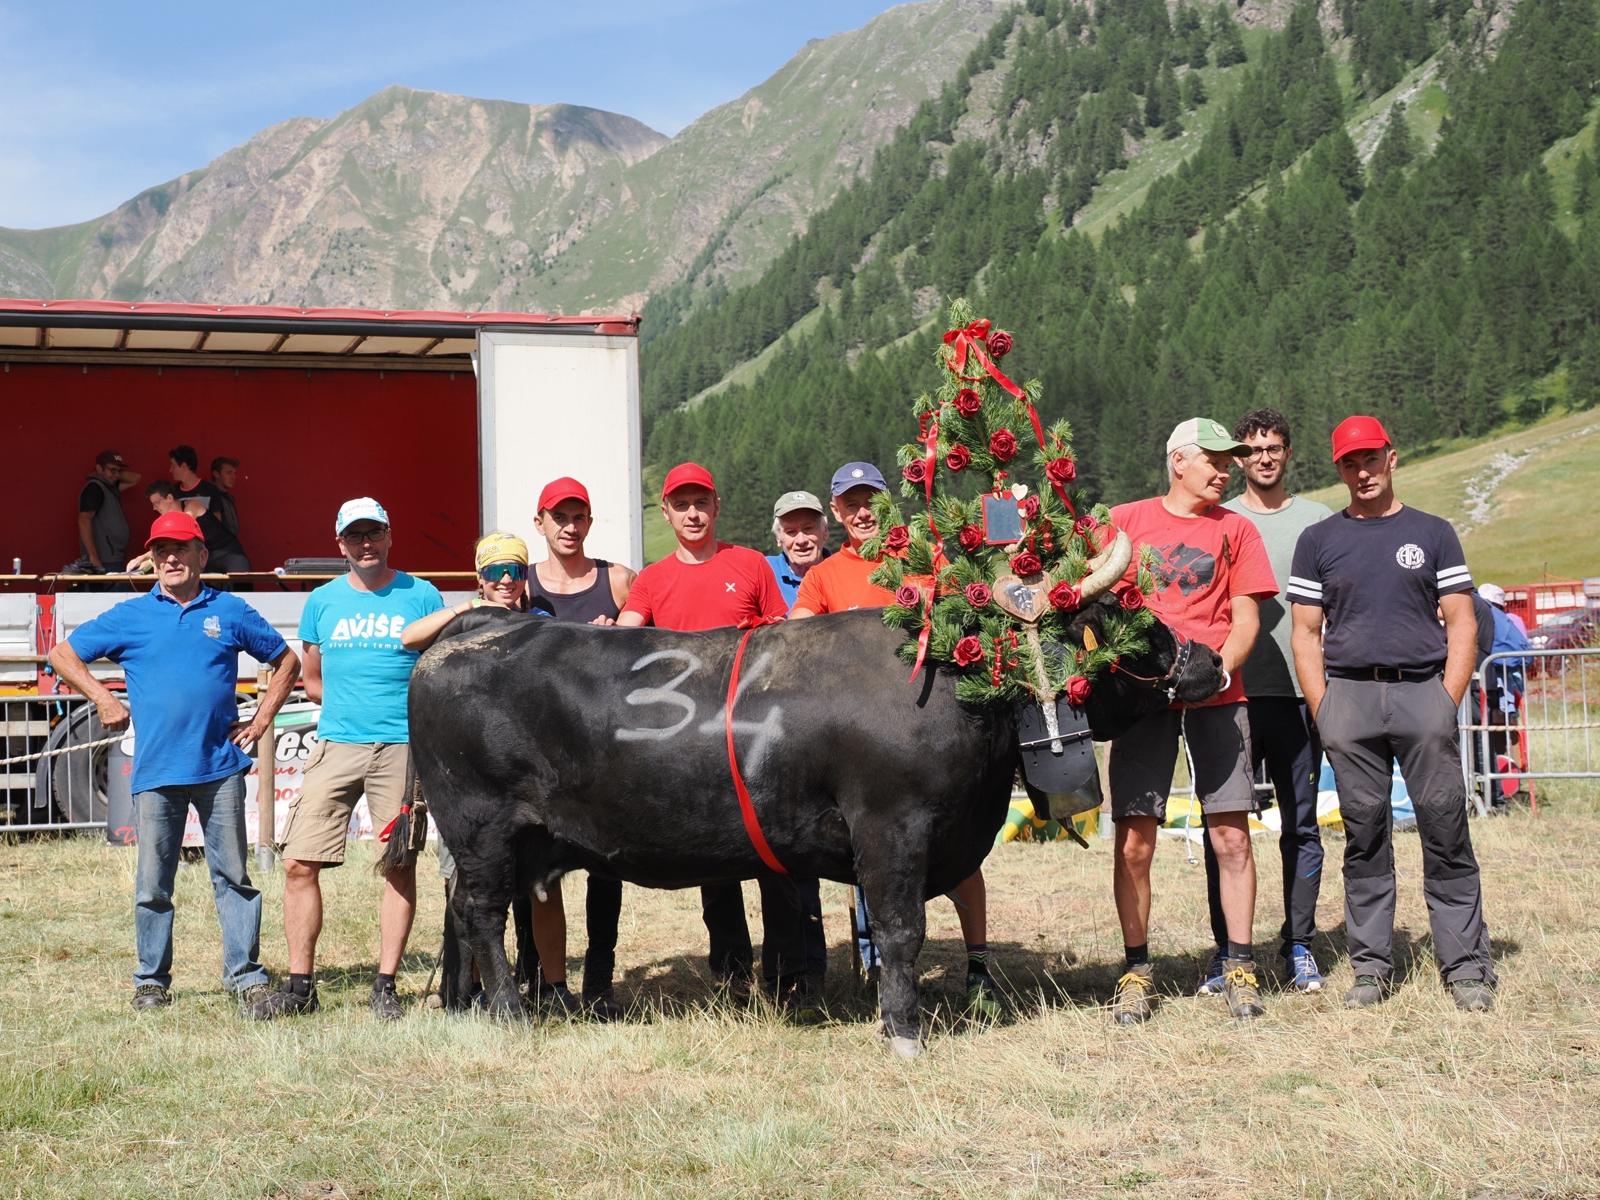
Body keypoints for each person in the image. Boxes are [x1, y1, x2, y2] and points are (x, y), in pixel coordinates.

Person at [48, 511, 299, 1012]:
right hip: (157, 773)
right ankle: (151, 981)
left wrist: (261, 720)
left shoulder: (228, 610)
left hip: (220, 769)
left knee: (233, 879)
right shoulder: (131, 616)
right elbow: (62, 655)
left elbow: (286, 660)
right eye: (161, 550)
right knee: (152, 885)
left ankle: (246, 978)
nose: (170, 558)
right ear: (152, 558)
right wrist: (103, 698)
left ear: (202, 556)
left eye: (181, 549)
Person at [1288, 415, 1496, 1012]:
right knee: (1364, 835)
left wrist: (1444, 700)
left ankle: (1466, 969)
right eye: (1350, 462)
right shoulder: (1319, 541)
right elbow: (1306, 634)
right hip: (1348, 698)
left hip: (1421, 693)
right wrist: (1325, 709)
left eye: (1371, 458)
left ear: (1392, 459)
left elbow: (1461, 622)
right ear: (1339, 469)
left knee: (1445, 827)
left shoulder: (1433, 533)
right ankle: (1372, 970)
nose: (1362, 471)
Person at [790, 461, 999, 1020]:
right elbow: (797, 645)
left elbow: (965, 627)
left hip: (929, 733)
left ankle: (978, 965)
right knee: (874, 858)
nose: (862, 512)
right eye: (850, 503)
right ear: (836, 512)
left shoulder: (926, 561)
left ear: (889, 506)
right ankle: (879, 969)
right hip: (861, 743)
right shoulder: (823, 576)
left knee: (958, 856)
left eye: (871, 501)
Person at [616, 462, 808, 1004]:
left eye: (701, 502)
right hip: (692, 741)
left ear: (716, 506)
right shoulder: (652, 578)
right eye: (682, 504)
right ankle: (731, 979)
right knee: (716, 859)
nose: (693, 513)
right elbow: (626, 639)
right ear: (668, 512)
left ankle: (787, 977)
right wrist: (598, 635)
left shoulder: (748, 563)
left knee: (777, 856)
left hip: (759, 733)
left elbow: (780, 639)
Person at [1106, 418, 1278, 1025]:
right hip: (1143, 700)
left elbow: (1248, 616)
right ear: (1179, 461)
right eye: (1215, 459)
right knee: (1134, 842)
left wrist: (1219, 669)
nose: (1226, 469)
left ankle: (1240, 964)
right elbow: (1089, 594)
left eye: (1230, 459)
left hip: (1216, 697)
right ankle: (1135, 970)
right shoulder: (1125, 521)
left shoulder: (1238, 529)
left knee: (1231, 836)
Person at [247, 497, 445, 1021]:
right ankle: (299, 986)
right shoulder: (322, 601)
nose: (365, 544)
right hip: (337, 745)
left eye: (373, 533)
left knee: (399, 865)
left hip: (402, 748)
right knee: (297, 862)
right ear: (340, 544)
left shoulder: (421, 594)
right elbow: (311, 679)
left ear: (388, 536)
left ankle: (385, 984)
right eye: (355, 535)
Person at [402, 528, 588, 1016]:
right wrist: (468, 611)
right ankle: (469, 987)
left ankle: (552, 986)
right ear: (478, 578)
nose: (506, 580)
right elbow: (409, 638)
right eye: (495, 571)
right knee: (470, 884)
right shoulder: (459, 627)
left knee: (545, 891)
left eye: (515, 570)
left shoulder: (541, 623)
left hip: (535, 777)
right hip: (472, 776)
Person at [1212, 408, 1332, 994]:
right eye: (1253, 449)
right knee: (1225, 828)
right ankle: (1227, 951)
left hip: (1297, 697)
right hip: (1228, 698)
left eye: (1274, 447)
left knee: (1302, 826)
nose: (1264, 457)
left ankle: (1300, 944)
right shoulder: (1218, 521)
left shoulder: (1318, 522)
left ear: (1287, 454)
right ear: (1238, 459)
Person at [524, 477, 638, 1019]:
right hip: (538, 755)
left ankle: (598, 979)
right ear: (540, 522)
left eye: (579, 517)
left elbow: (648, 658)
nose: (570, 527)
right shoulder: (519, 585)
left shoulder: (617, 580)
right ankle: (541, 981)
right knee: (536, 870)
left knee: (605, 868)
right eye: (559, 517)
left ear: (590, 522)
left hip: (603, 750)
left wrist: (615, 636)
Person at [168, 444, 250, 573]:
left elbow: (217, 522)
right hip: (190, 553)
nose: (170, 470)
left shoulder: (209, 489)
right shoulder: (174, 492)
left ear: (183, 466)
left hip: (216, 551)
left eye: (173, 465)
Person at [75, 450, 141, 574]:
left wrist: (113, 473)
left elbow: (136, 478)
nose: (116, 474)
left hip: (114, 558)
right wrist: (93, 556)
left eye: (119, 470)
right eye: (112, 470)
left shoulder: (110, 487)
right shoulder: (94, 487)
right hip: (103, 560)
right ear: (99, 468)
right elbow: (84, 520)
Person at [765, 491, 830, 607]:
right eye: (791, 532)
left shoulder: (841, 570)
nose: (801, 540)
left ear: (825, 532)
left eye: (808, 529)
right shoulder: (763, 571)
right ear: (778, 538)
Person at [209, 456, 242, 537]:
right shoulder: (208, 496)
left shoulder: (229, 498)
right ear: (216, 474)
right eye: (229, 473)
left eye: (234, 473)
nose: (233, 477)